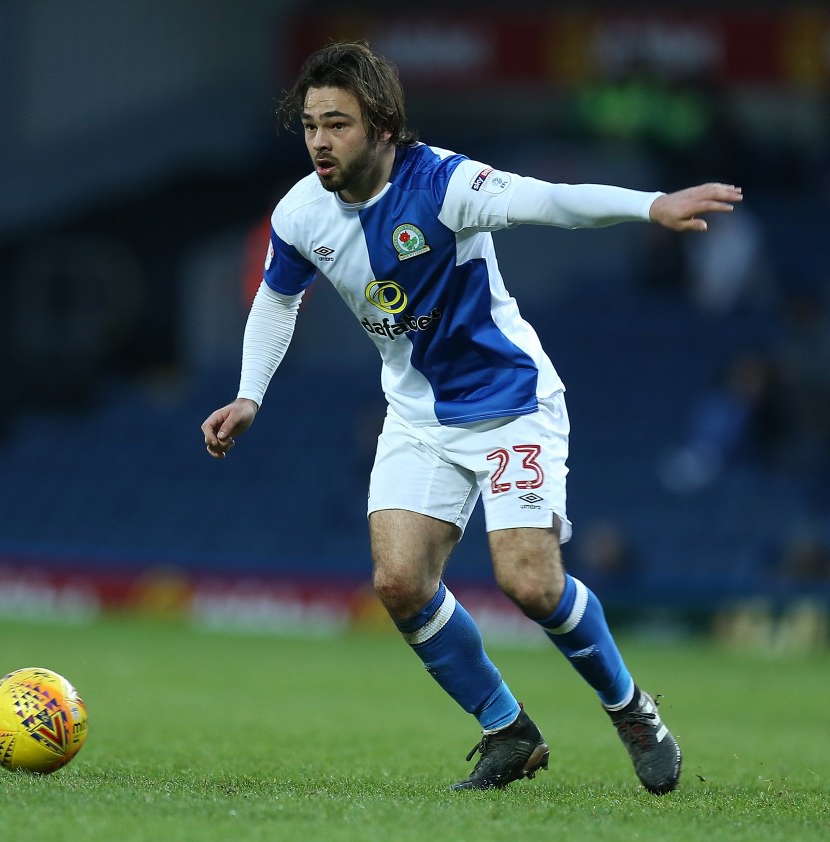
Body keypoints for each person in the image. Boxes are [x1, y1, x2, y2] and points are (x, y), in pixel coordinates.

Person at [201, 41, 742, 794]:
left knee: (529, 584)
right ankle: (508, 732)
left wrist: (649, 205)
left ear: (384, 126)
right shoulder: (301, 211)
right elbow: (278, 297)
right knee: (399, 580)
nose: (321, 141)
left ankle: (631, 710)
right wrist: (250, 392)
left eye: (338, 124)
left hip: (511, 404)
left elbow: (548, 200)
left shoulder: (445, 184)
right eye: (311, 125)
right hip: (418, 413)